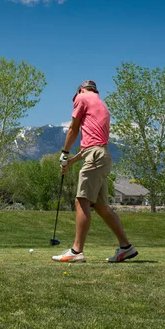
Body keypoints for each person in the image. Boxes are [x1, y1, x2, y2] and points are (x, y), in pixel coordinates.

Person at [52, 80, 138, 263]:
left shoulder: (82, 97)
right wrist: (71, 162)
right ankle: (126, 247)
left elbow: (73, 129)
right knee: (100, 206)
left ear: (81, 90)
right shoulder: (100, 104)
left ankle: (76, 252)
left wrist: (65, 153)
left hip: (95, 157)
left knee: (82, 200)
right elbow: (91, 147)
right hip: (102, 156)